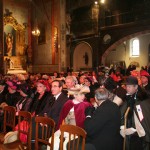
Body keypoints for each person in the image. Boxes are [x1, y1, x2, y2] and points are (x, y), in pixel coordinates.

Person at [47, 84, 91, 150]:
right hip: (66, 129)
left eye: (84, 95)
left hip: (77, 132)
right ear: (75, 95)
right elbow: (61, 118)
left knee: (66, 144)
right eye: (81, 95)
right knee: (52, 140)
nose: (83, 97)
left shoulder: (86, 105)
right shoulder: (68, 103)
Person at [120, 76, 149, 150]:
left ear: (136, 87)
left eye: (129, 86)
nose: (127, 88)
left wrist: (134, 129)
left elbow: (142, 118)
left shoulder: (141, 100)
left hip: (138, 136)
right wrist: (122, 125)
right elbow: (123, 112)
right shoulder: (129, 97)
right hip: (129, 132)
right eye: (126, 86)